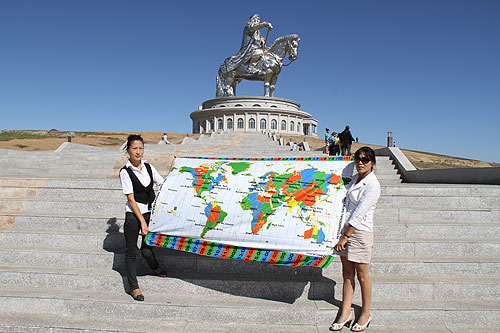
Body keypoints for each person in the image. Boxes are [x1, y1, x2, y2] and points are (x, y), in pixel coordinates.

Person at [330, 147, 381, 332]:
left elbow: (359, 214)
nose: (361, 162)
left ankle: (365, 314)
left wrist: (345, 237)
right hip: (345, 230)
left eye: (366, 159)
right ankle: (345, 312)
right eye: (358, 159)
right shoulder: (352, 180)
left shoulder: (373, 185)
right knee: (347, 274)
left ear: (372, 163)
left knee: (362, 275)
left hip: (359, 233)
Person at [119, 134, 167, 301]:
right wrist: (142, 223)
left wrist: (175, 170)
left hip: (149, 213)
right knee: (131, 251)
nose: (138, 152)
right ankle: (134, 287)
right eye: (134, 149)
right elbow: (131, 199)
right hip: (133, 215)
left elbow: (162, 183)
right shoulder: (125, 172)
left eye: (141, 148)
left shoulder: (148, 167)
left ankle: (155, 267)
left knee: (147, 248)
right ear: (128, 150)